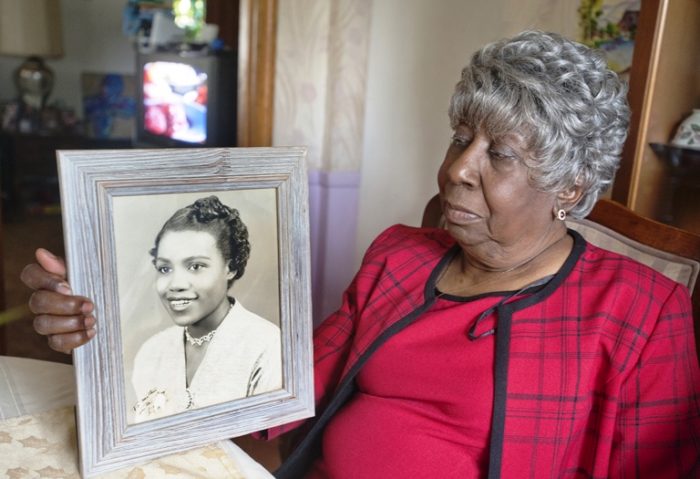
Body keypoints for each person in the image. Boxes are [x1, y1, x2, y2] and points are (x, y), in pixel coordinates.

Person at [21, 31, 699, 477]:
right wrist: (111, 320)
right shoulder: (400, 256)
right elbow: (281, 388)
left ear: (570, 188)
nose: (457, 168)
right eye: (461, 136)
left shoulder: (640, 312)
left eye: (500, 153)